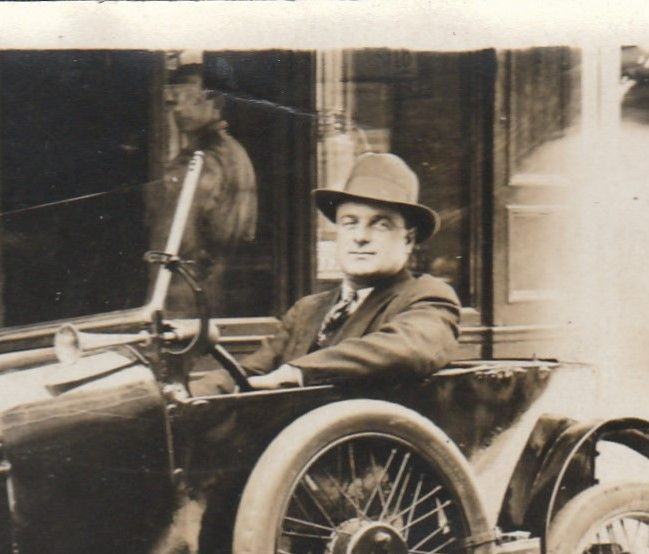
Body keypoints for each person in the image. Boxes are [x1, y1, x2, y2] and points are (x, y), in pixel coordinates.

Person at [197, 152, 460, 394]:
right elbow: (250, 370)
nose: (360, 237)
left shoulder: (426, 297)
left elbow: (409, 349)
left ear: (408, 240)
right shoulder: (308, 309)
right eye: (349, 223)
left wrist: (296, 373)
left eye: (380, 225)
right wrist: (187, 396)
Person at [151, 59, 258, 318]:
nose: (175, 108)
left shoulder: (203, 160)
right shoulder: (233, 152)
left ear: (214, 102)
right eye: (172, 99)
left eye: (185, 97)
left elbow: (176, 240)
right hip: (215, 289)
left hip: (185, 295)